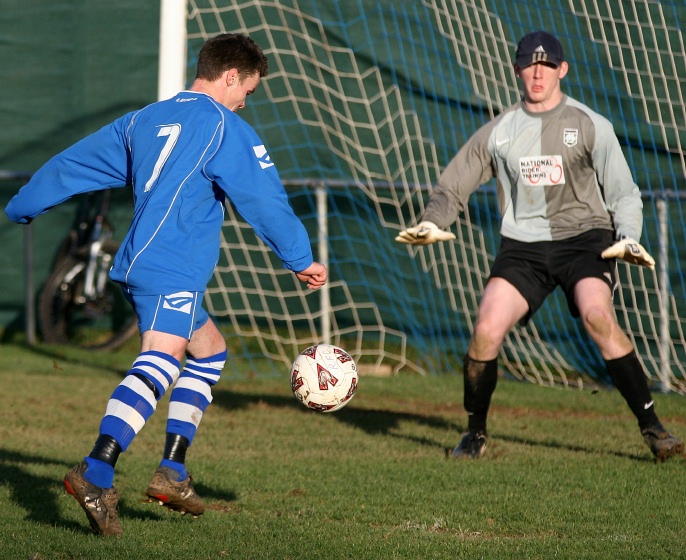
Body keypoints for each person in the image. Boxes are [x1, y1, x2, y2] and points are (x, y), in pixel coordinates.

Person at [5, 33, 327, 536]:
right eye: (249, 89)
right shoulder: (226, 126)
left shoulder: (143, 120)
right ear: (229, 77)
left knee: (210, 351)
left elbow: (76, 162)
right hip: (171, 267)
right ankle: (96, 469)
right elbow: (263, 198)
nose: (247, 101)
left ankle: (173, 471)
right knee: (160, 358)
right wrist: (300, 258)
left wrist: (24, 203)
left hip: (142, 263)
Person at [396, 30, 682, 464]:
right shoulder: (498, 132)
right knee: (486, 330)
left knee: (597, 316)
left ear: (562, 70)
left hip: (585, 241)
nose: (537, 73)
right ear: (516, 70)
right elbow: (452, 185)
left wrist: (628, 237)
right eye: (529, 64)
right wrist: (432, 222)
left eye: (546, 65)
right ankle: (475, 433)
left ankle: (653, 428)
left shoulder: (590, 125)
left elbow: (624, 192)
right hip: (523, 249)